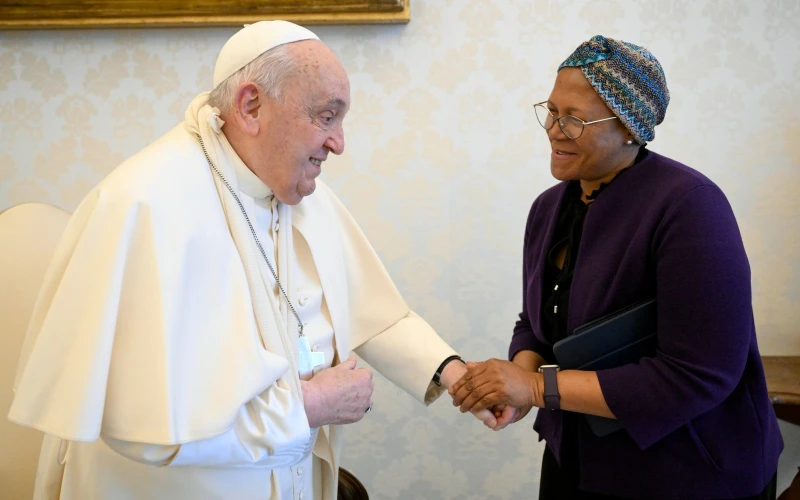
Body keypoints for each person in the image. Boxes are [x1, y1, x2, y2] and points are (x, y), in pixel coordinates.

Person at [9, 21, 493, 500]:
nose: (339, 143)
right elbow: (145, 425)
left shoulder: (300, 190)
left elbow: (375, 310)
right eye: (327, 117)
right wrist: (311, 404)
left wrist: (456, 375)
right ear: (251, 106)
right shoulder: (146, 204)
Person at [450, 35, 783, 499]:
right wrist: (515, 387)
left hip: (687, 473)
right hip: (578, 464)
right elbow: (538, 320)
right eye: (550, 110)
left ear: (631, 126)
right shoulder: (549, 208)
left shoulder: (690, 207)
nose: (552, 128)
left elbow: (699, 374)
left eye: (573, 119)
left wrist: (534, 387)